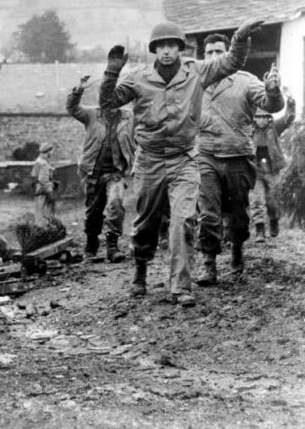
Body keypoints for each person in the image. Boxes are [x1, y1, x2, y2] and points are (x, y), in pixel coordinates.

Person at [99, 19, 263, 307]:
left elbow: (231, 61)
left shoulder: (197, 72)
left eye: (171, 45)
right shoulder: (138, 77)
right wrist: (112, 72)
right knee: (146, 223)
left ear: (179, 47)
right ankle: (140, 269)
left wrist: (240, 38)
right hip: (149, 159)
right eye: (160, 46)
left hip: (184, 159)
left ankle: (180, 285)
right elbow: (108, 103)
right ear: (154, 49)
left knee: (183, 220)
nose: (166, 51)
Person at [195, 34, 284, 287]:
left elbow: (271, 105)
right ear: (204, 55)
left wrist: (273, 90)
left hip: (238, 156)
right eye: (209, 52)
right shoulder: (194, 82)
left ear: (229, 53)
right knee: (208, 213)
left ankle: (237, 253)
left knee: (238, 213)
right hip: (206, 155)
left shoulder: (245, 81)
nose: (213, 57)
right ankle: (208, 264)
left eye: (219, 51)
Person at [66, 74, 135, 262]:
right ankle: (91, 245)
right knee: (93, 211)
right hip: (93, 173)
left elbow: (143, 129)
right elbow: (72, 108)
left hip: (115, 173)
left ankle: (112, 247)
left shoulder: (128, 117)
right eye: (106, 96)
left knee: (115, 205)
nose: (109, 101)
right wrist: (79, 88)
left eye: (114, 97)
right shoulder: (91, 114)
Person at [250, 90, 296, 243]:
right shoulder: (249, 130)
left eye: (264, 117)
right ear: (254, 118)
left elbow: (289, 118)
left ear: (269, 119)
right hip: (255, 170)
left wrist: (290, 102)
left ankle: (274, 220)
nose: (261, 120)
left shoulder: (275, 128)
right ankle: (260, 230)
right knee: (256, 200)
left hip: (272, 169)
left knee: (273, 200)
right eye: (258, 117)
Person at [31, 142, 56, 220]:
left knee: (39, 213)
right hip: (44, 192)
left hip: (39, 190)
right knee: (46, 215)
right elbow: (43, 180)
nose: (52, 153)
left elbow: (34, 175)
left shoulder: (38, 160)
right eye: (51, 151)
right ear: (48, 151)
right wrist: (50, 192)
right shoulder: (43, 163)